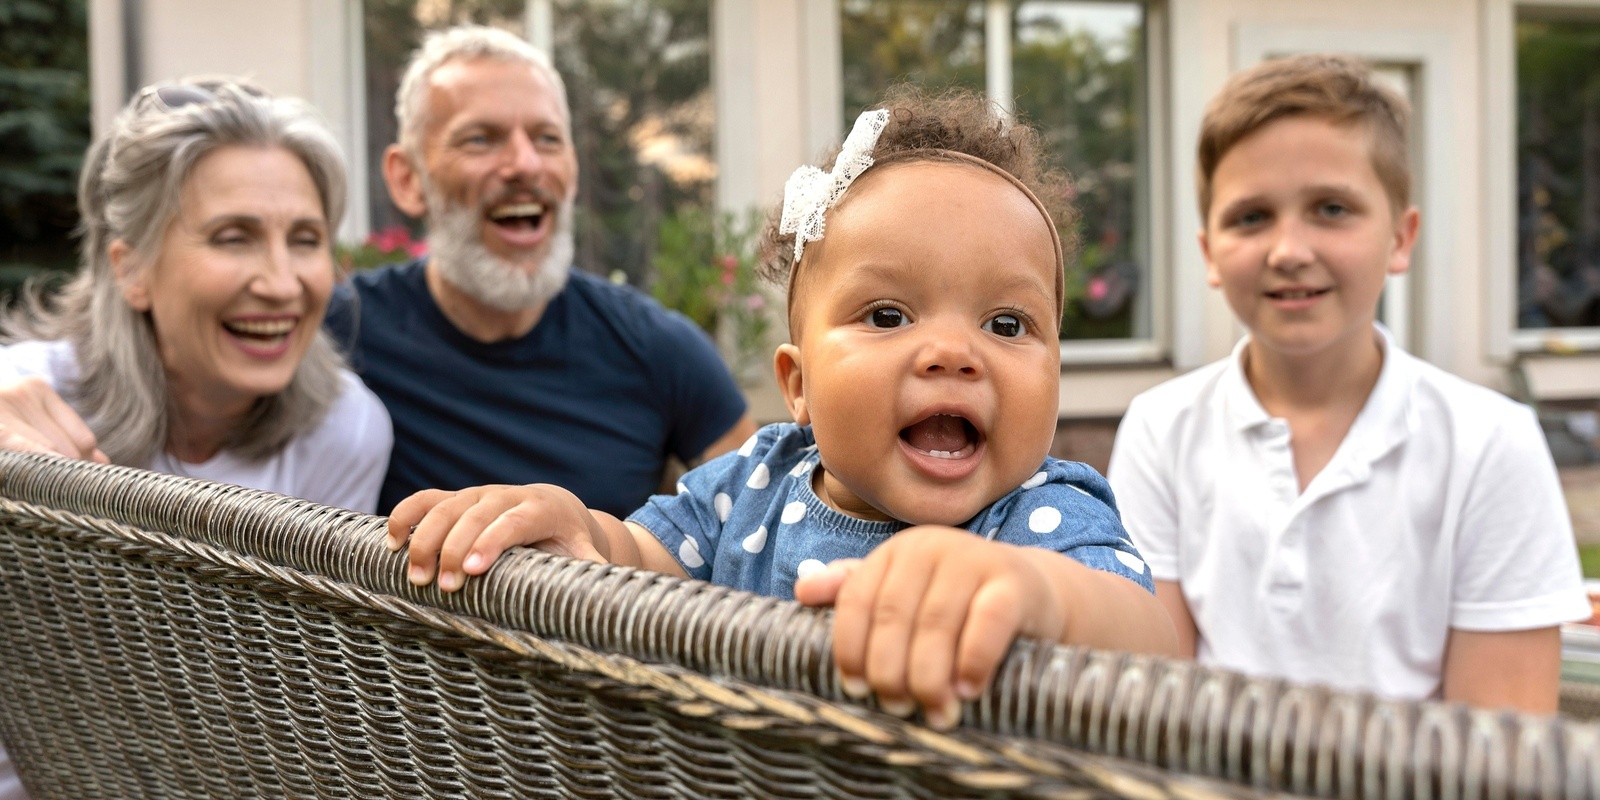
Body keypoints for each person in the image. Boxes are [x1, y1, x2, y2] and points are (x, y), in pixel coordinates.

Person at [385, 88, 1178, 732]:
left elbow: (1148, 640)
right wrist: (576, 527)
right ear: (797, 386)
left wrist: (1032, 592)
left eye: (1007, 324)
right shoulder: (754, 485)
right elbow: (640, 559)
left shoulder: (1041, 516)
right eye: (889, 316)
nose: (953, 353)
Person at [1106, 54, 1588, 713]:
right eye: (1250, 217)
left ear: (1400, 239)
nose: (1289, 250)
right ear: (1208, 252)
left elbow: (1499, 751)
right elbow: (1156, 703)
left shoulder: (1491, 444)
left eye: (1331, 208)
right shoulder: (1160, 429)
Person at [0, 77, 393, 800]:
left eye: (304, 240)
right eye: (232, 237)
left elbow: (294, 699)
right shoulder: (25, 395)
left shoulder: (345, 427)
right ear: (133, 270)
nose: (282, 283)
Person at [323, 25, 756, 516]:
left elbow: (757, 527)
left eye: (547, 138)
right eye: (480, 139)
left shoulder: (657, 348)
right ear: (407, 179)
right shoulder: (339, 332)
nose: (525, 164)